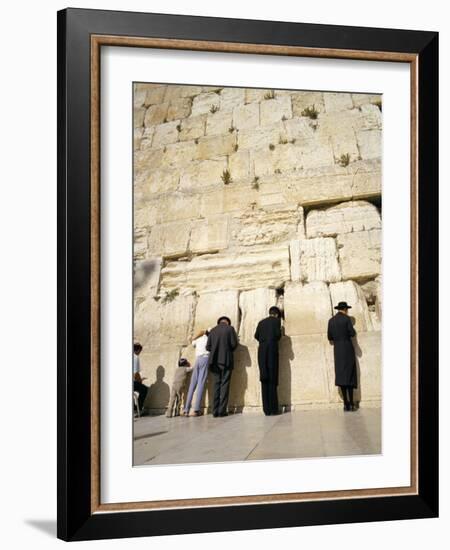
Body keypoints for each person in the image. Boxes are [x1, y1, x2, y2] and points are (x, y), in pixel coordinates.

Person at [327, 301, 357, 412]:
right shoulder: (346, 319)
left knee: (341, 375)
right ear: (345, 309)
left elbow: (329, 337)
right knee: (350, 375)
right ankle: (352, 403)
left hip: (338, 350)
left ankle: (345, 404)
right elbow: (352, 333)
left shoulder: (331, 321)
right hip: (348, 349)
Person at [206, 316, 238, 417]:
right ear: (227, 322)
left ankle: (215, 411)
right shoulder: (230, 329)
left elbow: (208, 347)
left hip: (214, 362)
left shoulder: (213, 330)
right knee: (225, 385)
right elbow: (234, 344)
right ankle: (222, 411)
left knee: (216, 385)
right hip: (226, 361)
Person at [254, 306, 282, 416]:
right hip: (272, 351)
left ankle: (266, 410)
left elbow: (256, 335)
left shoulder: (261, 322)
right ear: (276, 314)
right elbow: (277, 335)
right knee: (272, 379)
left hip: (261, 351)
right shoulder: (276, 321)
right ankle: (273, 409)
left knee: (264, 378)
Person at [183, 330, 210, 417]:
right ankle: (196, 409)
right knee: (201, 384)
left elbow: (192, 342)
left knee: (192, 385)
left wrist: (196, 336)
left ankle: (186, 409)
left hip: (197, 360)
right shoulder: (209, 339)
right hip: (205, 359)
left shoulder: (199, 339)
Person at [133, 343, 148, 414]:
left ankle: (134, 408)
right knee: (144, 389)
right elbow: (135, 373)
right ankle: (137, 409)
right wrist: (140, 381)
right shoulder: (135, 357)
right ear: (138, 350)